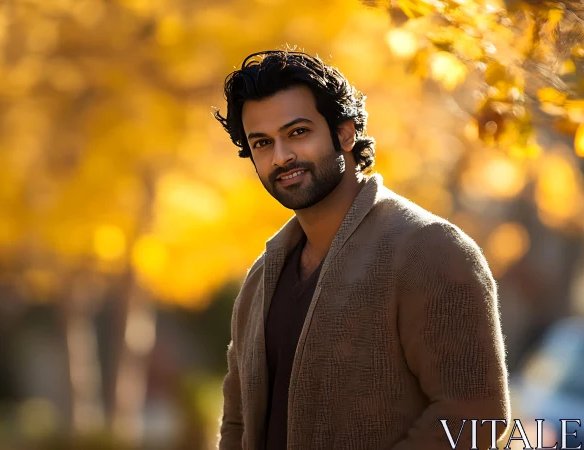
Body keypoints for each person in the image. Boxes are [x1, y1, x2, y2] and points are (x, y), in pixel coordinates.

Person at [213, 49, 510, 450]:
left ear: (346, 133)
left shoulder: (430, 250)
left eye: (298, 132)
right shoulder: (260, 279)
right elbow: (237, 424)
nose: (281, 157)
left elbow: (476, 418)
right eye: (262, 143)